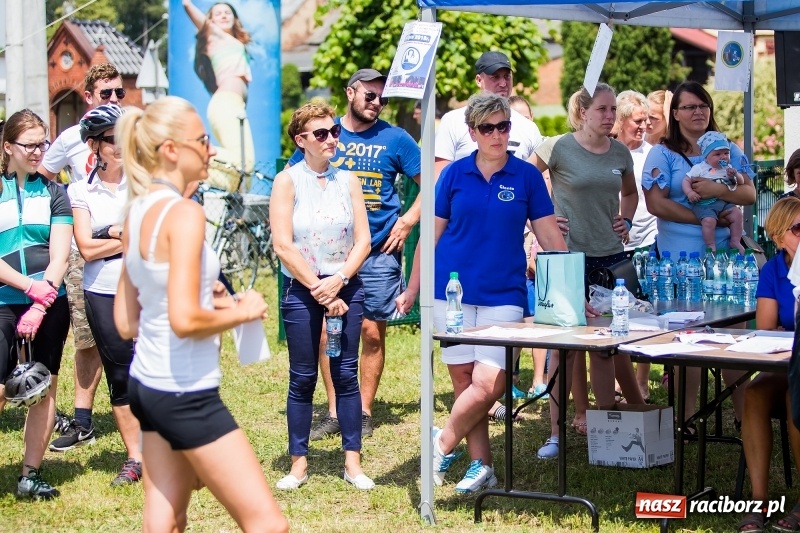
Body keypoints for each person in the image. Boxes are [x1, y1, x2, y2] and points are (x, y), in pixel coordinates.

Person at [113, 96, 287, 532]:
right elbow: (184, 320)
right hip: (185, 393)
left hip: (147, 385)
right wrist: (242, 309)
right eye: (203, 140)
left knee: (166, 522)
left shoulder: (135, 212)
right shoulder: (185, 213)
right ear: (171, 149)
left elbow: (125, 321)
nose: (211, 150)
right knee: (269, 525)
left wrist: (203, 300)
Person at [397, 93, 566, 493]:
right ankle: (481, 465)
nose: (497, 134)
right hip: (450, 293)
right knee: (463, 381)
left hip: (504, 294)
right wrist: (413, 287)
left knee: (490, 383)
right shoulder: (453, 174)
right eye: (487, 128)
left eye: (503, 126)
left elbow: (550, 238)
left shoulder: (526, 177)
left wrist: (571, 288)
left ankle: (439, 445)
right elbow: (430, 237)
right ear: (472, 132)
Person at [288, 69, 421, 441]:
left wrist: (408, 220)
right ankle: (334, 410)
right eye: (370, 95)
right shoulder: (325, 133)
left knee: (371, 333)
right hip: (327, 258)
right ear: (350, 93)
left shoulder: (396, 138)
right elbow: (294, 181)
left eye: (383, 97)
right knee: (327, 333)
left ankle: (361, 410)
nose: (377, 102)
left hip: (377, 251)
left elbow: (433, 182)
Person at [532, 83, 644, 459]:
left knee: (605, 350)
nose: (610, 116)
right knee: (564, 352)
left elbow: (631, 194)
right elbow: (528, 182)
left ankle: (607, 430)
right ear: (583, 112)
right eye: (602, 109)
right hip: (566, 258)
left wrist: (625, 219)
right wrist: (544, 220)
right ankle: (556, 433)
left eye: (613, 109)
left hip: (610, 259)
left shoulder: (620, 152)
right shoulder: (558, 147)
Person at [642, 80, 756, 427]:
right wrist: (704, 216)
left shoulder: (729, 150)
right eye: (689, 107)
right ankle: (686, 418)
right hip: (680, 264)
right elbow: (655, 203)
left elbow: (749, 194)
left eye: (703, 105)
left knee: (732, 337)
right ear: (674, 114)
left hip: (724, 263)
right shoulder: (662, 153)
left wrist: (719, 194)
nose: (697, 112)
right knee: (688, 339)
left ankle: (744, 415)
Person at [271, 102, 373, 490]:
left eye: (334, 132)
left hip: (346, 284)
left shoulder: (348, 181)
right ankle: (298, 464)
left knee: (346, 373)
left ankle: (353, 463)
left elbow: (363, 240)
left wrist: (341, 279)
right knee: (303, 377)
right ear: (301, 141)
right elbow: (283, 245)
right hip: (304, 288)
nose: (331, 139)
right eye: (321, 134)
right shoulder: (287, 181)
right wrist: (320, 288)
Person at [40, 63, 123, 450]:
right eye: (106, 93)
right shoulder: (71, 138)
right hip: (84, 249)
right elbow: (44, 177)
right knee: (87, 338)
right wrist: (63, 219)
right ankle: (83, 419)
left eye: (119, 93)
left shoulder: (132, 135)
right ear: (88, 96)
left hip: (130, 256)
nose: (114, 99)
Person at [64, 104, 141, 485]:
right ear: (95, 146)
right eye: (114, 139)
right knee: (121, 375)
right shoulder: (80, 190)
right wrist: (119, 233)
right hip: (102, 291)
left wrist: (108, 234)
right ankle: (136, 458)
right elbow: (84, 248)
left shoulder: (146, 183)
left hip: (148, 290)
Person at [1, 109, 72, 499]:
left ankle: (30, 474)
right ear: (8, 146)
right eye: (30, 145)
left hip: (49, 303)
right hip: (4, 300)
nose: (38, 152)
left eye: (43, 143)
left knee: (43, 388)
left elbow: (60, 255)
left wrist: (41, 304)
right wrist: (30, 288)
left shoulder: (54, 192)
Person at [737, 197, 800, 532]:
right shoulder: (774, 270)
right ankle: (758, 503)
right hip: (787, 362)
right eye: (798, 228)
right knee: (754, 393)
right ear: (778, 237)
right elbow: (765, 330)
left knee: (795, 399)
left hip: (796, 365)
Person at [434, 51, 543, 179]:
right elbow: (439, 176)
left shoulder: (528, 127)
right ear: (479, 80)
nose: (503, 83)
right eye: (495, 77)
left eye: (507, 76)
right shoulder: (453, 121)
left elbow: (541, 177)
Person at [183, 0, 255, 192]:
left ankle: (196, 178)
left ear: (235, 18)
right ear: (211, 21)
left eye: (227, 12)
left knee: (242, 175)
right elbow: (188, 8)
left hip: (235, 105)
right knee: (245, 163)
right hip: (225, 104)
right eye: (218, 13)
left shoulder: (235, 42)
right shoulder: (214, 36)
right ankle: (184, 159)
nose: (223, 15)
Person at [615, 90, 655, 401]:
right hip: (616, 247)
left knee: (646, 315)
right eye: (637, 121)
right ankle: (621, 379)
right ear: (621, 120)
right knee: (620, 314)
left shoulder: (652, 154)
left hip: (648, 242)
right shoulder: (610, 152)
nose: (643, 127)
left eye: (646, 121)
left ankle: (641, 380)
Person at [682, 131, 746, 254]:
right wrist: (690, 192)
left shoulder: (727, 168)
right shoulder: (700, 168)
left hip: (723, 202)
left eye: (726, 153)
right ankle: (710, 245)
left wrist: (735, 175)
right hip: (705, 204)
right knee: (709, 221)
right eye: (717, 154)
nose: (723, 157)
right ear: (706, 156)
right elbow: (686, 180)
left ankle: (735, 240)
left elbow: (741, 182)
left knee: (737, 214)